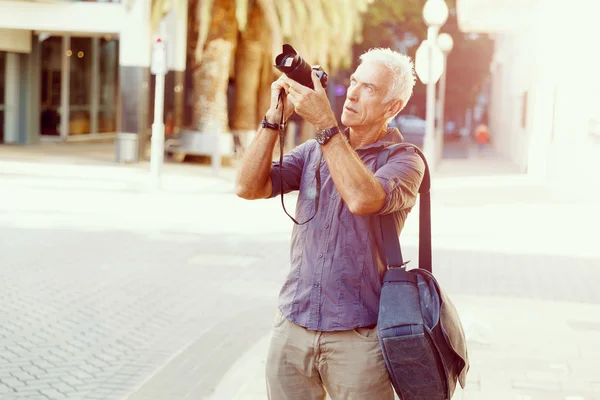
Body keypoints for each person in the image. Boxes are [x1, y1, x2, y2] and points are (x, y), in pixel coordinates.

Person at [235, 48, 425, 399]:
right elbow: (247, 187)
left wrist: (325, 124)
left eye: (368, 88)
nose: (352, 92)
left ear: (393, 107)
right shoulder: (312, 152)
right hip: (292, 326)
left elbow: (362, 198)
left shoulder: (404, 161)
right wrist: (273, 119)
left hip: (358, 339)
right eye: (354, 81)